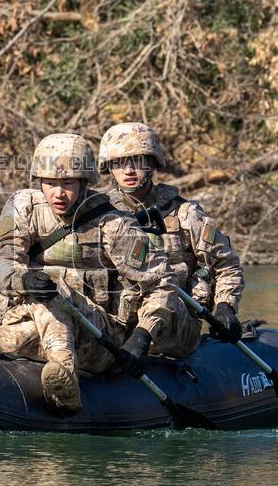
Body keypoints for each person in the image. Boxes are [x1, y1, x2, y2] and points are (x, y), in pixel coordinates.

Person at [0, 133, 176, 416]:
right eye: (50, 184)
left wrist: (142, 336)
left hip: (101, 336)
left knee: (54, 287)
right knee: (8, 339)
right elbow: (1, 259)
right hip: (38, 322)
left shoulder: (112, 222)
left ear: (83, 182)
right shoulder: (24, 207)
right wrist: (23, 279)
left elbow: (160, 282)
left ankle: (65, 381)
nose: (58, 193)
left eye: (67, 184)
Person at [99, 122, 245, 351]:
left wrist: (225, 307)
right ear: (108, 167)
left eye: (137, 161)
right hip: (118, 320)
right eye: (118, 163)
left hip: (174, 320)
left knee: (164, 298)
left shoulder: (185, 214)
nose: (128, 171)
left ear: (152, 163)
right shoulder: (99, 216)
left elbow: (226, 265)